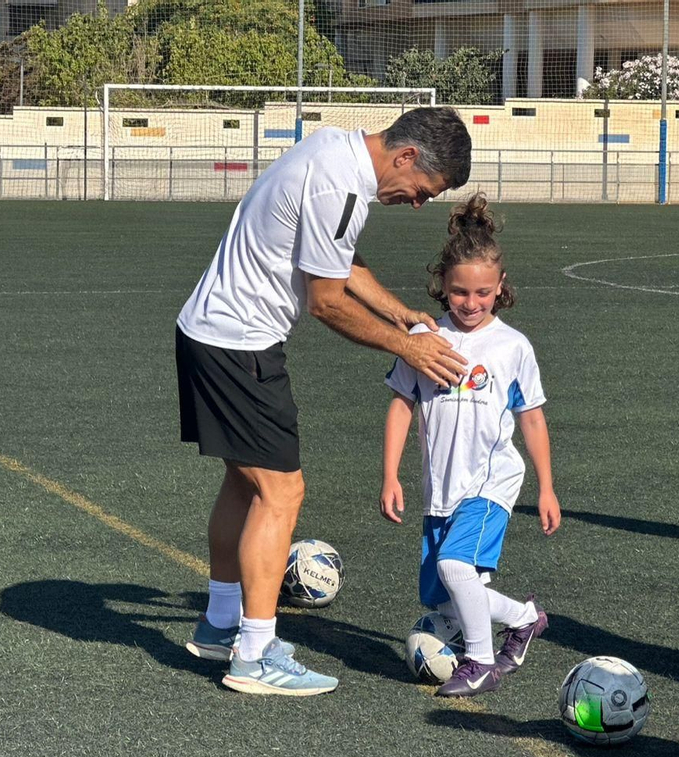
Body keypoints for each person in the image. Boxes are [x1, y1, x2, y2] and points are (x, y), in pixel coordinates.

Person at [175, 107, 473, 697]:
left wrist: (398, 313)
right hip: (241, 348)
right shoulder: (342, 185)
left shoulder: (333, 149)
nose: (416, 204)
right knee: (283, 491)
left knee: (247, 484)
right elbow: (327, 301)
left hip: (208, 334)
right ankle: (254, 657)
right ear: (406, 156)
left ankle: (219, 625)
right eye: (421, 192)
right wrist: (407, 349)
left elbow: (337, 257)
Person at [379, 194, 558, 699]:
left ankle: (481, 661)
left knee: (456, 568)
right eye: (460, 292)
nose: (472, 303)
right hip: (442, 486)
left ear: (500, 288)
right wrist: (390, 475)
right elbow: (400, 405)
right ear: (443, 286)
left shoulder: (512, 346)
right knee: (446, 600)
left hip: (491, 480)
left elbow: (533, 419)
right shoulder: (424, 337)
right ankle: (524, 619)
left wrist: (546, 487)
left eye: (483, 292)